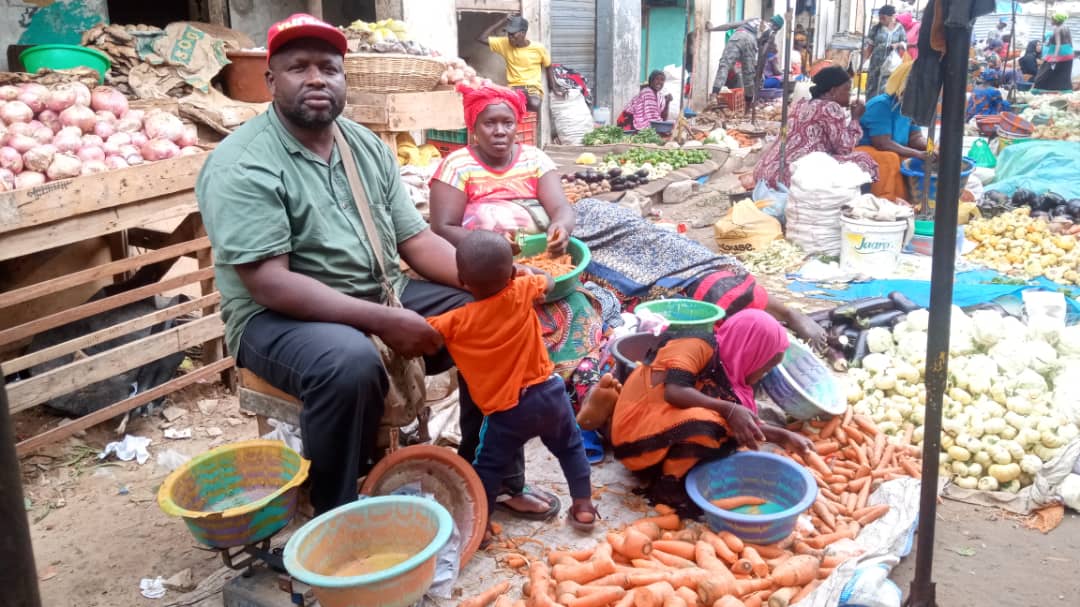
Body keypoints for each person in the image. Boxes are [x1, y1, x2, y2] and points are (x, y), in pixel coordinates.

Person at [196, 14, 484, 515]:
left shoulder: (365, 145)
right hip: (277, 318)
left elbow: (415, 241)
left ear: (343, 78)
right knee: (348, 363)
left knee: (485, 316)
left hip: (378, 289)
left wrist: (490, 281)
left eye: (328, 68)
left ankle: (484, 471)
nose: (315, 79)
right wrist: (383, 320)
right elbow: (268, 284)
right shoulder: (243, 163)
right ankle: (337, 510)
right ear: (270, 81)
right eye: (297, 67)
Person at [428, 83, 608, 464]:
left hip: (537, 260)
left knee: (580, 309)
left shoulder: (536, 159)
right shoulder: (457, 166)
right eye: (489, 123)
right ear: (473, 128)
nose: (499, 131)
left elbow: (561, 207)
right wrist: (497, 253)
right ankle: (514, 417)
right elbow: (442, 227)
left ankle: (575, 405)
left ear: (517, 125)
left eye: (507, 122)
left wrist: (561, 228)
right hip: (485, 268)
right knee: (506, 324)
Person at [427, 230, 597, 531]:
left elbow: (425, 334)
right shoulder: (522, 290)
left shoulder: (455, 321)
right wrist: (522, 271)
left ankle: (479, 528)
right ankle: (583, 506)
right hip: (550, 394)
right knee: (571, 449)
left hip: (507, 412)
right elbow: (551, 281)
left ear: (462, 282)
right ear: (510, 272)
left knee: (489, 469)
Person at [579, 309, 814, 509]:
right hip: (637, 428)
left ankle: (671, 466)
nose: (763, 374)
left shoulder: (732, 376)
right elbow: (674, 391)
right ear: (750, 349)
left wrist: (782, 436)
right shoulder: (696, 344)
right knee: (713, 425)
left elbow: (740, 423)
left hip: (663, 426)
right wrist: (729, 410)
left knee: (725, 426)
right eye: (765, 366)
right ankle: (666, 486)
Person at [569, 198, 828, 353]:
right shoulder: (547, 233)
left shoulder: (568, 198)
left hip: (620, 225)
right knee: (713, 293)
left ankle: (789, 314)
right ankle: (754, 327)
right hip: (593, 237)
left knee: (719, 276)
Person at [754, 66, 877, 189]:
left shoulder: (801, 104)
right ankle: (857, 202)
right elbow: (845, 148)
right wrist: (855, 119)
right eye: (847, 90)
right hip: (788, 177)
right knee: (863, 159)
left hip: (765, 171)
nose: (849, 95)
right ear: (833, 91)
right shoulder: (830, 107)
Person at [856, 60, 928, 202]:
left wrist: (930, 148)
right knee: (890, 159)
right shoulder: (881, 105)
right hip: (867, 149)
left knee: (911, 161)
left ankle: (914, 201)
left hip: (895, 148)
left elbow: (915, 137)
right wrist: (918, 153)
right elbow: (882, 143)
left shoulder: (909, 107)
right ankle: (886, 200)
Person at [479, 15, 560, 112]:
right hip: (514, 87)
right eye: (508, 34)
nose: (510, 37)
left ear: (523, 33)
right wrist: (502, 21)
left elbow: (548, 66)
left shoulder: (538, 48)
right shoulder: (504, 44)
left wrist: (554, 87)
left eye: (513, 34)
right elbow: (481, 38)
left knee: (534, 104)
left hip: (532, 88)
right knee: (497, 106)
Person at [708, 19, 762, 109]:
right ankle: (748, 107)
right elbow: (762, 54)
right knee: (748, 75)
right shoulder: (769, 31)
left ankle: (714, 94)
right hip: (751, 41)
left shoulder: (754, 20)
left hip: (738, 35)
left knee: (724, 64)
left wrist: (712, 29)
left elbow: (729, 25)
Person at [863, 5, 907, 99]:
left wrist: (898, 45)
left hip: (891, 65)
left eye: (884, 18)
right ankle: (870, 108)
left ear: (892, 17)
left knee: (886, 88)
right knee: (871, 87)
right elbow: (869, 47)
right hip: (876, 64)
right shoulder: (876, 29)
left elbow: (905, 43)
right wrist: (862, 62)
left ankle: (883, 109)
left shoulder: (900, 29)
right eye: (880, 18)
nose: (881, 20)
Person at [1033, 13, 1075, 91]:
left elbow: (1058, 44)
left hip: (1059, 54)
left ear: (1056, 20)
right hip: (1069, 53)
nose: (1051, 21)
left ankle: (1039, 88)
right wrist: (1071, 52)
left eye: (1052, 19)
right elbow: (1070, 41)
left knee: (1043, 73)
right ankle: (1064, 89)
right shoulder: (1066, 27)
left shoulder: (1057, 29)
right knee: (1064, 73)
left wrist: (1054, 58)